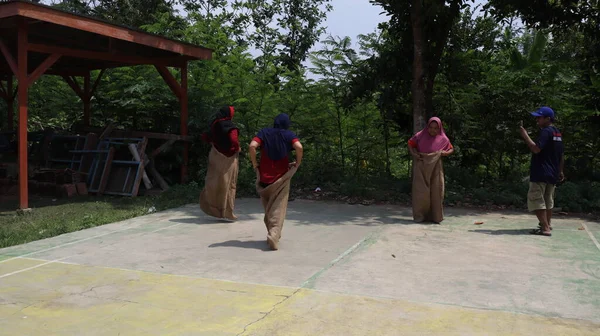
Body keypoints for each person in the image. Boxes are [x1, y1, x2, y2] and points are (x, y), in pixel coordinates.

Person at [248, 113, 303, 250]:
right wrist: (297, 163)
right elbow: (299, 147)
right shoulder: (289, 135)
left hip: (264, 177)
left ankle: (272, 232)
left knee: (268, 207)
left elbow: (252, 146)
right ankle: (273, 234)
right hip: (281, 177)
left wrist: (255, 164)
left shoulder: (264, 132)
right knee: (278, 208)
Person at [519, 106, 564, 237]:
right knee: (547, 200)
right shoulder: (557, 133)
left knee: (536, 199)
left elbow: (536, 149)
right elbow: (561, 155)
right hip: (552, 173)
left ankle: (545, 228)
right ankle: (547, 224)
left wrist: (525, 135)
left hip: (541, 172)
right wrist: (560, 171)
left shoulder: (546, 131)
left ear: (548, 119)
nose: (537, 120)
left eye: (539, 117)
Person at [408, 117, 454, 223]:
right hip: (421, 164)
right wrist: (414, 154)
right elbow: (410, 144)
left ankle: (436, 217)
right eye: (431, 128)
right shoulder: (420, 136)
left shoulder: (443, 139)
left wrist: (444, 153)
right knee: (421, 191)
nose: (433, 130)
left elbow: (451, 149)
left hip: (435, 166)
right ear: (427, 127)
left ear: (439, 128)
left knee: (436, 191)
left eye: (436, 128)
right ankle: (420, 216)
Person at [199, 106, 241, 221]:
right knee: (229, 184)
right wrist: (236, 148)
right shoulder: (230, 127)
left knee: (214, 181)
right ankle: (227, 211)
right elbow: (234, 140)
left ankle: (212, 208)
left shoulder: (214, 124)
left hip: (215, 156)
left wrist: (214, 143)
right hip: (229, 158)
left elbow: (205, 136)